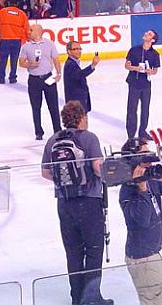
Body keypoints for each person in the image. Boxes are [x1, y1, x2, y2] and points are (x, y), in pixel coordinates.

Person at [41, 100, 114, 305]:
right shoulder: (89, 138)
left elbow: (45, 172)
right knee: (93, 249)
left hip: (64, 203)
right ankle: (91, 298)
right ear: (82, 118)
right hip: (89, 201)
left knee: (73, 251)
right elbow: (98, 168)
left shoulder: (53, 140)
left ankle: (76, 298)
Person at [119, 138, 162, 305]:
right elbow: (143, 220)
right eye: (144, 154)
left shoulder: (150, 180)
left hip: (152, 256)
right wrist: (143, 189)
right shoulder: (128, 190)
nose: (150, 158)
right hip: (142, 259)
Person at [19, 24, 61, 140]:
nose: (28, 32)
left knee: (53, 106)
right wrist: (30, 64)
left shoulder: (49, 44)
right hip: (34, 79)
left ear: (38, 32)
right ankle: (38, 132)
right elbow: (21, 62)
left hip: (48, 77)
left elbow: (56, 59)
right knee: (36, 106)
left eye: (31, 30)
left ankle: (57, 130)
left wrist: (58, 73)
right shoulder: (26, 47)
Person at [125, 30, 160, 141]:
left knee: (145, 109)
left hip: (146, 85)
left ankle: (142, 132)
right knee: (132, 109)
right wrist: (136, 68)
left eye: (149, 34)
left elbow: (155, 71)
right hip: (134, 83)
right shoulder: (134, 50)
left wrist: (150, 71)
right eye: (146, 32)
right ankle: (131, 135)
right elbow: (126, 65)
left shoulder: (155, 54)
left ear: (153, 40)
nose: (145, 33)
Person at [0, 6, 30, 84]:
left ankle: (0, 78)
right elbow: (27, 28)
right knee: (14, 60)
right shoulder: (22, 14)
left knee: (2, 60)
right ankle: (13, 78)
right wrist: (28, 38)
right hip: (16, 40)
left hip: (5, 39)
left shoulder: (2, 11)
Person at [64, 41, 100, 114]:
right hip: (75, 102)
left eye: (79, 49)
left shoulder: (74, 62)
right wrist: (93, 65)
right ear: (69, 52)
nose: (79, 51)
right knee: (78, 123)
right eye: (75, 49)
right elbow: (79, 75)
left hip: (78, 101)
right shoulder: (70, 64)